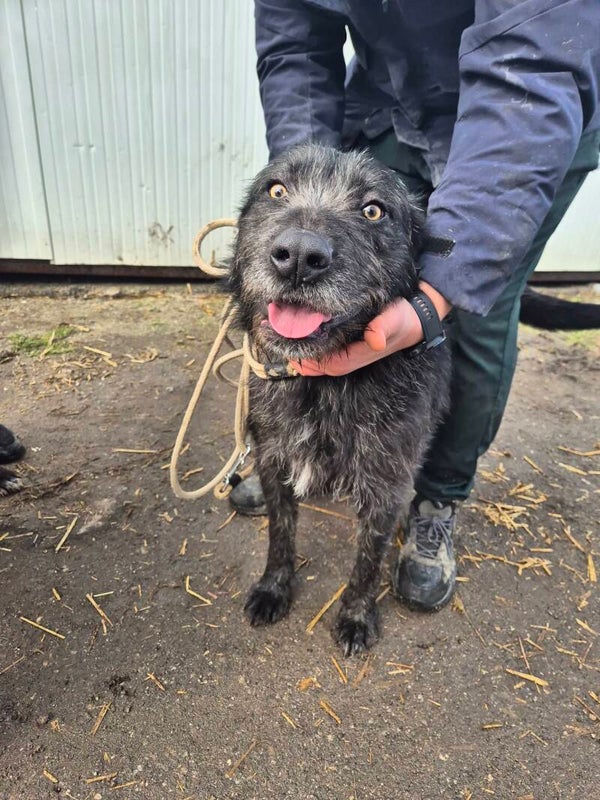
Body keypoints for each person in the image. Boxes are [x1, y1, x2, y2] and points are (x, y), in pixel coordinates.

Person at [230, 0, 600, 610]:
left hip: (529, 114)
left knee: (472, 310)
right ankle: (297, 459)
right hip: (391, 104)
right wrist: (303, 175)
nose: (298, 249)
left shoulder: (531, 83)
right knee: (326, 297)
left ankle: (438, 495)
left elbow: (535, 59)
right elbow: (294, 44)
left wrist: (434, 301)